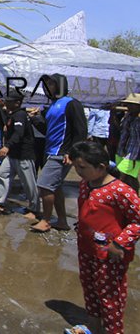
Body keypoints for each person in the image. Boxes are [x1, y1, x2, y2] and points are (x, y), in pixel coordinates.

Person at [68, 141, 140, 334]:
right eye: (75, 166)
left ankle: (113, 331)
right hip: (87, 250)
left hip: (110, 256)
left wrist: (120, 243)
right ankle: (93, 328)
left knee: (110, 297)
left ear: (101, 167)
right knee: (90, 290)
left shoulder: (120, 191)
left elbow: (137, 220)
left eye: (82, 167)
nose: (78, 171)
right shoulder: (85, 185)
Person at [30, 74, 87, 233]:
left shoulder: (71, 103)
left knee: (45, 185)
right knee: (55, 187)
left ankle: (46, 221)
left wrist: (72, 152)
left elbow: (81, 131)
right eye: (46, 85)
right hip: (50, 151)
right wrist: (35, 119)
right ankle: (62, 221)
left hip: (62, 153)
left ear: (60, 85)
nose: (48, 87)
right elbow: (47, 130)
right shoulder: (52, 105)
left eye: (51, 84)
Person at [0, 91, 40, 219]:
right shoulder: (12, 114)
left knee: (29, 183)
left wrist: (7, 146)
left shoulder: (20, 115)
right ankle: (0, 203)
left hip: (23, 155)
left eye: (9, 101)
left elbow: (18, 133)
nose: (6, 103)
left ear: (17, 103)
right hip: (13, 155)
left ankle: (35, 210)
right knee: (2, 174)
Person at [115, 93, 140, 192]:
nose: (128, 106)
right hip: (122, 150)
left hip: (133, 153)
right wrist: (113, 114)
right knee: (130, 177)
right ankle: (134, 197)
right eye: (128, 104)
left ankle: (117, 195)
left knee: (121, 175)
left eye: (132, 104)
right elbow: (120, 129)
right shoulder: (128, 116)